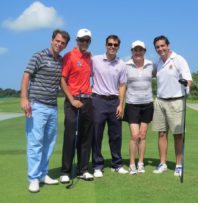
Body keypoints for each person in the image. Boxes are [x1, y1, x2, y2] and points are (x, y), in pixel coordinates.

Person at [20, 29, 70, 193]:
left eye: (62, 43)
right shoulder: (39, 56)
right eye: (57, 41)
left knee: (49, 143)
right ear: (51, 40)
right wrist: (24, 98)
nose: (59, 44)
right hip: (37, 105)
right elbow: (26, 75)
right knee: (36, 143)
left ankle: (43, 173)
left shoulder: (60, 60)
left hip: (52, 107)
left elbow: (62, 82)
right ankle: (33, 178)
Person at [152, 35, 192, 176]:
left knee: (177, 135)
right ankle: (162, 163)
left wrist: (186, 84)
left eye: (162, 45)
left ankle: (179, 165)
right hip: (160, 101)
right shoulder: (158, 63)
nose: (160, 49)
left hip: (176, 101)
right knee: (161, 133)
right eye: (157, 47)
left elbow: (188, 78)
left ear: (168, 45)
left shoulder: (178, 59)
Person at [59, 28, 94, 182]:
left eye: (87, 40)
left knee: (86, 137)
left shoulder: (89, 58)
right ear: (77, 40)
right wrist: (72, 100)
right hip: (73, 100)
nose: (84, 43)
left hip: (87, 101)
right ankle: (65, 172)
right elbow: (62, 80)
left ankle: (83, 169)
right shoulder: (69, 56)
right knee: (70, 136)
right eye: (82, 40)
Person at [92, 35, 128, 178]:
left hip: (114, 102)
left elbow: (122, 85)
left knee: (116, 135)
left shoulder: (122, 64)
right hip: (98, 100)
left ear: (118, 46)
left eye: (115, 45)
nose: (112, 47)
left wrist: (121, 104)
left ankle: (117, 164)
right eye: (110, 44)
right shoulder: (95, 60)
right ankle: (97, 166)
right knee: (96, 134)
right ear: (105, 45)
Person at [123, 40, 154, 175]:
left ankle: (140, 163)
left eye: (140, 50)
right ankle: (131, 164)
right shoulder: (126, 65)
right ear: (132, 51)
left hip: (147, 103)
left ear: (144, 51)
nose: (138, 52)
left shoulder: (151, 65)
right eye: (135, 50)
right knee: (135, 135)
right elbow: (122, 85)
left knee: (143, 135)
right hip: (132, 104)